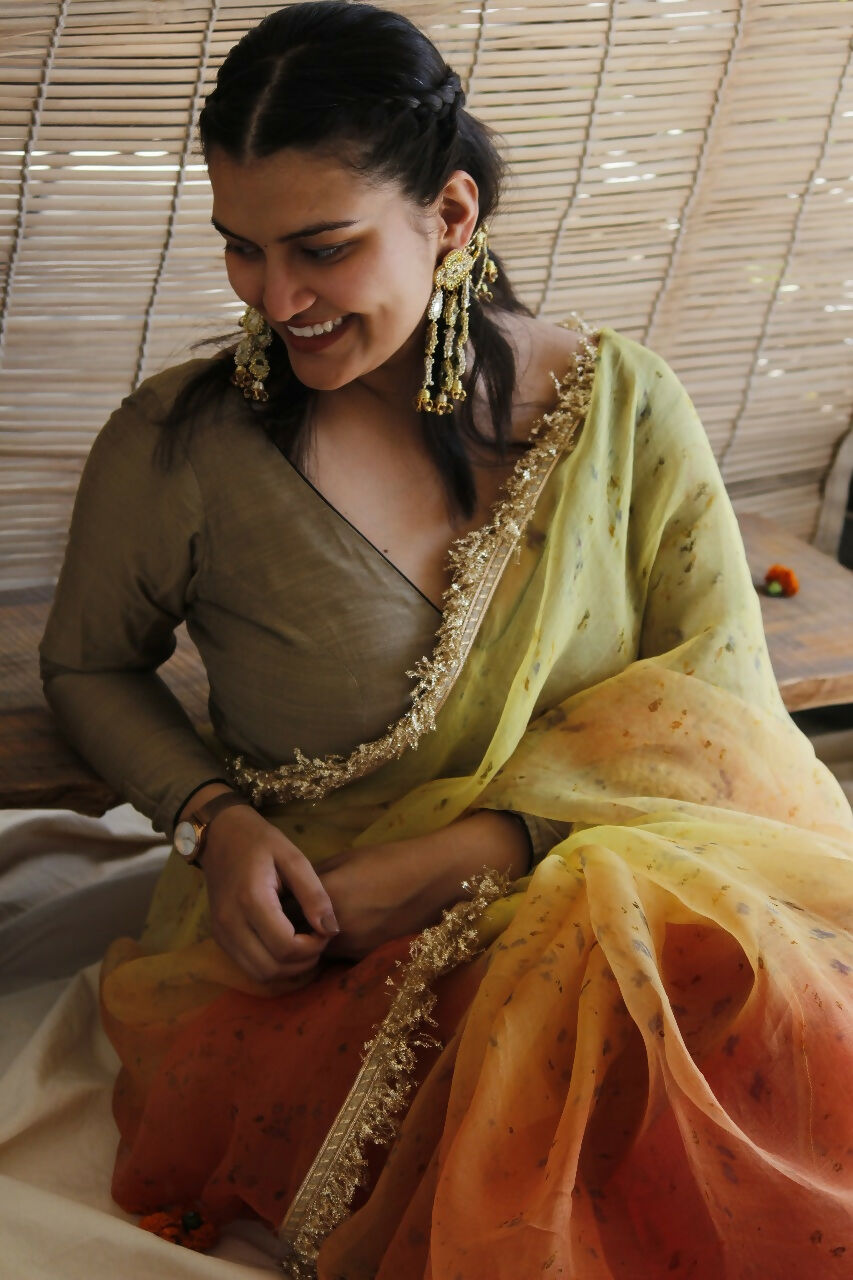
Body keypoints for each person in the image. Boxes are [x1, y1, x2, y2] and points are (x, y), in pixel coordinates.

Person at [38, 3, 853, 1277]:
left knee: (728, 984)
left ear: (452, 214)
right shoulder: (181, 448)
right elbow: (88, 662)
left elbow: (726, 725)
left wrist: (482, 848)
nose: (276, 298)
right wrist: (212, 819)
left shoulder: (623, 411)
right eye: (241, 249)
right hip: (335, 946)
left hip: (631, 901)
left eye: (322, 248)